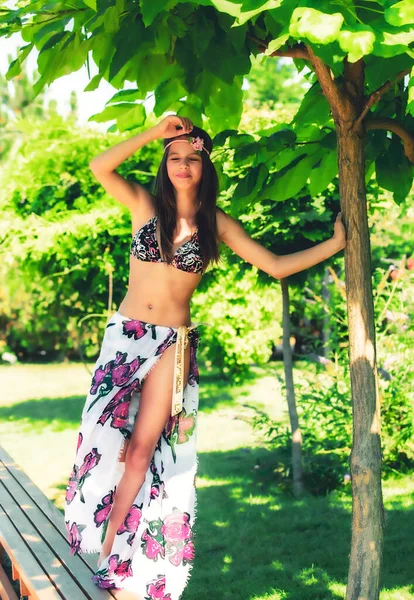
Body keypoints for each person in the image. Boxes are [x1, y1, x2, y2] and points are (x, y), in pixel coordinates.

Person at [64, 115, 346, 600]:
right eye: (174, 158)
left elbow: (275, 266)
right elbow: (100, 166)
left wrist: (335, 244)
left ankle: (114, 558)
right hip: (126, 339)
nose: (182, 166)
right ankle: (97, 533)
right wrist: (157, 132)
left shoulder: (216, 223)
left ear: (205, 166)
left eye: (192, 158)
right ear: (165, 164)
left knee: (142, 450)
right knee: (103, 437)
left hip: (172, 343)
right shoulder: (145, 206)